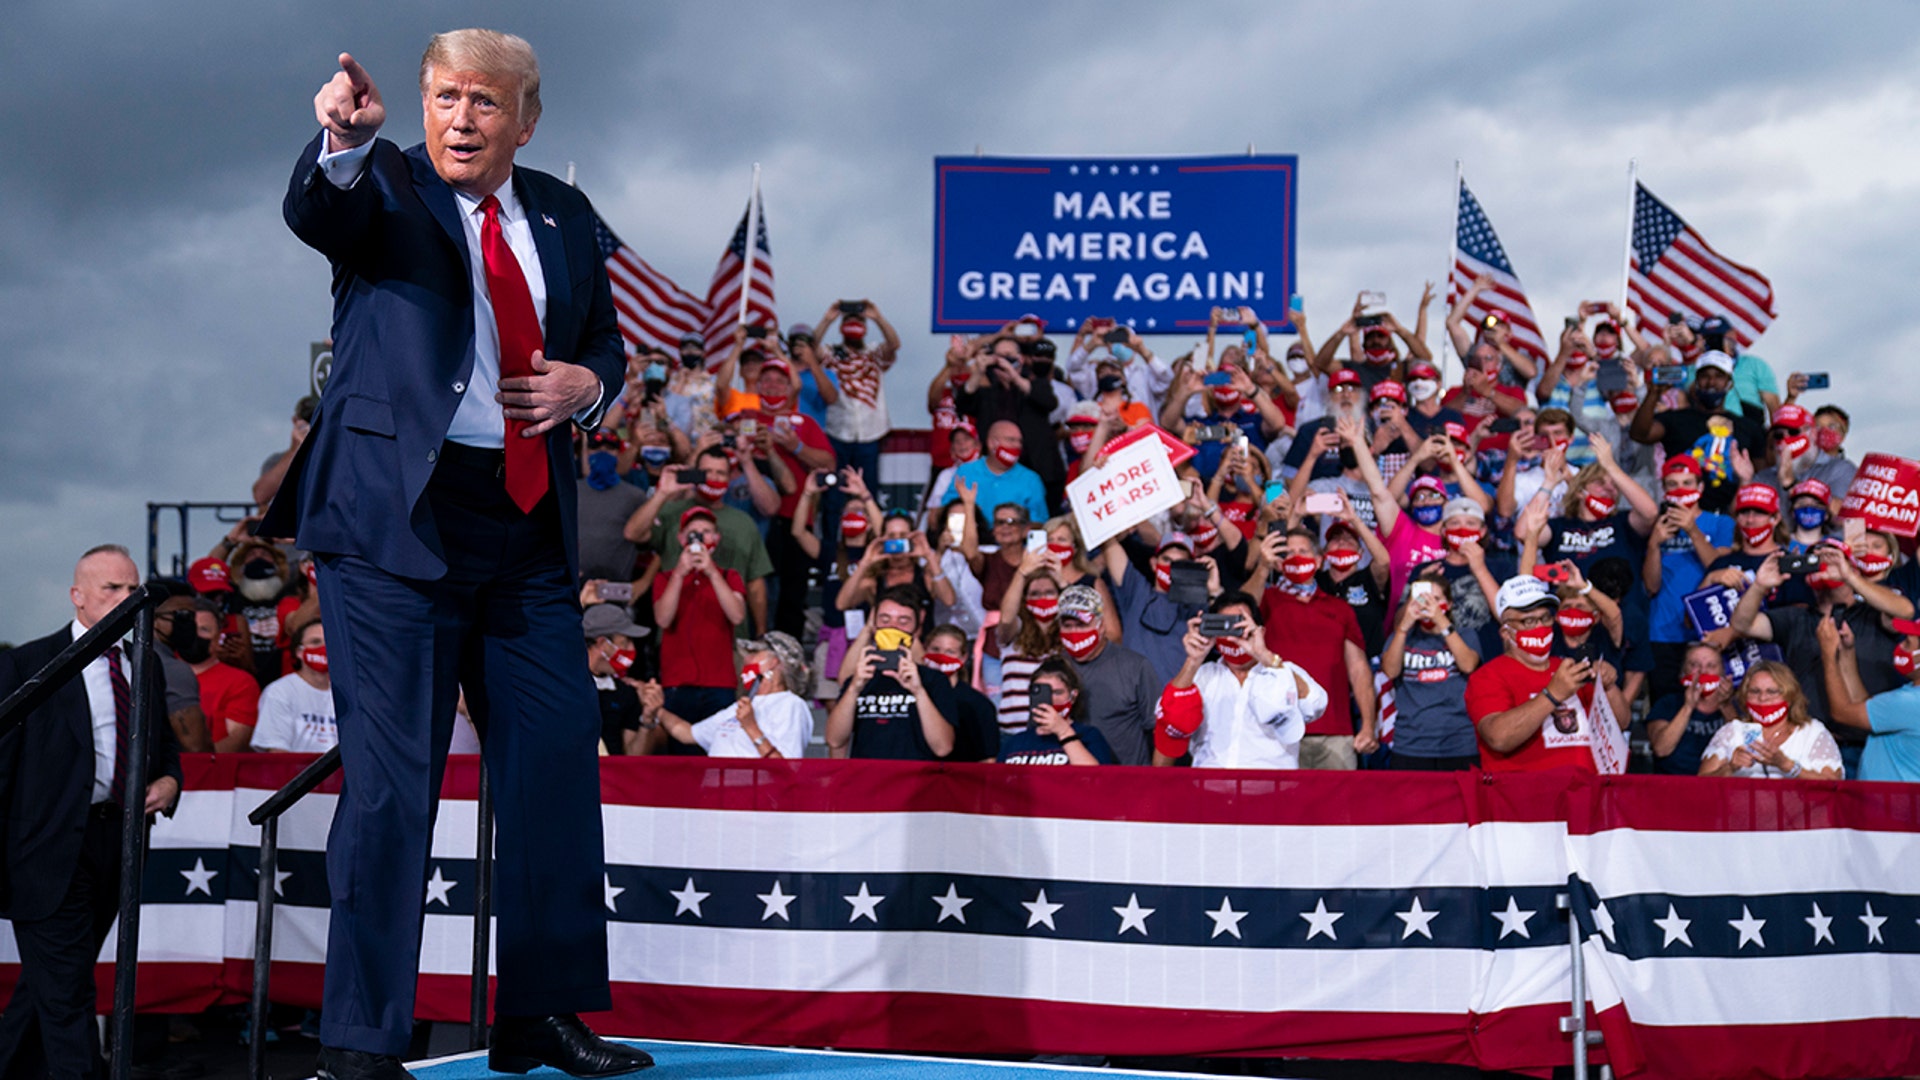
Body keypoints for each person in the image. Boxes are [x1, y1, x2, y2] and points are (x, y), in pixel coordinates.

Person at [273, 34, 652, 1078]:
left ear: (526, 121)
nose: (460, 117)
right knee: (394, 787)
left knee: (554, 764)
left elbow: (609, 342)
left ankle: (540, 1015)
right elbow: (323, 208)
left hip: (525, 527)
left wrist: (592, 387)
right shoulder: (383, 184)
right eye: (445, 96)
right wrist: (342, 140)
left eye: (484, 101)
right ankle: (360, 1044)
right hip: (397, 525)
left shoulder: (567, 214)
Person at [0, 545, 182, 1080]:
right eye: (113, 589)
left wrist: (170, 780)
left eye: (132, 589)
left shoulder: (142, 660)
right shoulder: (26, 663)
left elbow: (163, 746)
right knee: (67, 991)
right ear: (78, 597)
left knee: (53, 981)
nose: (128, 599)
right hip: (46, 848)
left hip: (116, 845)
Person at [1467, 576, 1628, 773]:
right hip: (1525, 797)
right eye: (1528, 621)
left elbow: (1621, 722)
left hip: (1585, 795)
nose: (1539, 626)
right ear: (1506, 633)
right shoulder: (1488, 676)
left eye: (1545, 618)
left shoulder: (1568, 668)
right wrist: (1552, 695)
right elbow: (1498, 738)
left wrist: (1609, 687)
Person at [1153, 593, 1329, 769]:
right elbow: (1168, 722)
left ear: (1260, 630)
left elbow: (1316, 704)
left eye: (1240, 625)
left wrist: (1263, 654)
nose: (1233, 636)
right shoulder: (1203, 675)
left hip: (1271, 788)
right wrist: (1193, 660)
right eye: (1225, 627)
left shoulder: (1283, 670)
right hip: (1212, 787)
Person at [1251, 529, 1378, 768]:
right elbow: (1241, 610)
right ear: (1279, 562)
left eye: (1303, 551)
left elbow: (1359, 669)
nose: (1296, 557)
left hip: (1334, 732)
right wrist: (1262, 567)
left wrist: (1368, 726)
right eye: (1288, 553)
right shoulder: (1266, 600)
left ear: (1319, 561)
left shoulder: (1341, 609)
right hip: (1275, 731)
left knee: (1339, 805)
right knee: (1279, 806)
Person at [825, 586, 958, 760]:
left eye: (903, 622)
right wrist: (854, 689)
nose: (893, 627)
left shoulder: (934, 680)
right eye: (885, 620)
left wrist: (918, 691)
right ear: (874, 626)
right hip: (868, 781)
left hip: (915, 783)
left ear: (916, 630)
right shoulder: (860, 678)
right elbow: (834, 740)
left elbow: (943, 747)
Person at [650, 632, 813, 759]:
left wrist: (751, 727)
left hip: (753, 798)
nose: (746, 659)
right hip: (718, 797)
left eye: (754, 653)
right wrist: (656, 706)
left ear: (774, 662)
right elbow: (686, 733)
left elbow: (788, 769)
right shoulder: (743, 705)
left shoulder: (790, 705)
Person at [653, 507, 748, 724]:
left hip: (720, 682)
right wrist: (680, 573)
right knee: (680, 754)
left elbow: (737, 616)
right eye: (693, 532)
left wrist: (711, 572)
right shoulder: (665, 578)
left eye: (706, 531)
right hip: (677, 681)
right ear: (681, 538)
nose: (700, 537)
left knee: (719, 752)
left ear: (716, 538)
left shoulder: (729, 576)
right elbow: (663, 619)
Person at [1381, 565, 1481, 769]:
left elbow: (1469, 664)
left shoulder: (1465, 634)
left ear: (1449, 604)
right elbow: (1390, 671)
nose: (1429, 605)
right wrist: (1403, 627)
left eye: (1436, 599)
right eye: (1422, 599)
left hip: (1459, 744)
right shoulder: (1401, 637)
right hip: (1411, 745)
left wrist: (1441, 622)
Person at [1054, 584, 1160, 766]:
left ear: (1101, 625)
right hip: (1071, 781)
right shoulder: (1053, 670)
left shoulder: (1135, 667)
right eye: (1067, 625)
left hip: (1125, 782)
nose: (1074, 633)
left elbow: (1158, 730)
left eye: (1081, 625)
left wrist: (1154, 780)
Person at [1698, 662, 1842, 780]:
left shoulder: (1812, 732)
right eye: (1755, 691)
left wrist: (1787, 766)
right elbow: (1699, 787)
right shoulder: (1732, 731)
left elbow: (1834, 786)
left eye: (1772, 691)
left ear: (1790, 696)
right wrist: (1729, 768)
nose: (1763, 698)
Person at [1821, 615, 1920, 782]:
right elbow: (1867, 708)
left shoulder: (1910, 702)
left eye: (1908, 643)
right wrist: (1847, 653)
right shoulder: (1910, 696)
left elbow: (1841, 712)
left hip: (1891, 805)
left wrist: (1828, 654)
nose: (1901, 646)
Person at [997, 659, 1116, 765]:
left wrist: (1064, 732)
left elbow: (1096, 779)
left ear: (1073, 696)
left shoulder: (1089, 736)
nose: (1051, 700)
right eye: (1044, 694)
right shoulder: (1015, 743)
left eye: (1057, 692)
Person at [252, 615, 339, 753]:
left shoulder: (347, 693)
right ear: (299, 651)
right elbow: (277, 753)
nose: (323, 648)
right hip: (299, 773)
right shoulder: (279, 691)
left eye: (328, 642)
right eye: (315, 642)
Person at [1645, 643, 1734, 776]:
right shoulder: (1667, 704)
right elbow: (1661, 749)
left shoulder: (1734, 706)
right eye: (1694, 665)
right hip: (1673, 785)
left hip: (1719, 785)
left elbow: (1746, 745)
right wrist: (1688, 707)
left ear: (1723, 672)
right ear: (1682, 673)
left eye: (1711, 666)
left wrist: (1725, 705)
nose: (1703, 672)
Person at [921, 625, 1000, 763]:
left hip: (960, 781)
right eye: (935, 649)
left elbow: (988, 759)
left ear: (963, 658)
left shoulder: (978, 704)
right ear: (925, 651)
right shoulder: (912, 695)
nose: (941, 656)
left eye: (950, 652)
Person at [947, 420, 1048, 525]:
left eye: (1020, 441)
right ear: (992, 443)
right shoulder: (966, 472)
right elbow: (947, 511)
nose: (1017, 445)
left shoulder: (1031, 479)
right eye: (1011, 440)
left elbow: (1039, 523)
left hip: (1013, 540)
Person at [582, 603, 649, 756]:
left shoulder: (626, 693)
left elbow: (632, 758)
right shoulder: (564, 687)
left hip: (610, 777)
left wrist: (648, 718)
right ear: (603, 644)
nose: (631, 649)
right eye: (625, 642)